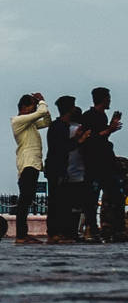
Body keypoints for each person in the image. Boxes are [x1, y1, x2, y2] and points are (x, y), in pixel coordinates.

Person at [77, 87, 123, 242]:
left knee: (114, 195)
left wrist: (110, 127)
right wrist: (110, 128)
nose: (109, 100)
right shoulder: (90, 116)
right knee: (93, 197)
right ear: (103, 99)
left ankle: (111, 228)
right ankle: (93, 228)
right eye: (108, 97)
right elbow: (93, 137)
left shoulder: (101, 116)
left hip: (104, 162)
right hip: (95, 163)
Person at [11, 93, 51, 241]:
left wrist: (42, 105)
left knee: (27, 199)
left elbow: (47, 121)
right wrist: (41, 101)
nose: (34, 110)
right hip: (27, 163)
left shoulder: (31, 124)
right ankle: (21, 235)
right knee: (24, 200)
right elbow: (41, 112)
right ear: (24, 107)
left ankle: (23, 234)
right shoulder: (18, 120)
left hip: (33, 163)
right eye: (31, 107)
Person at [44, 97, 83, 243]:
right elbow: (62, 148)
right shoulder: (59, 126)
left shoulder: (60, 126)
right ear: (70, 109)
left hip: (59, 167)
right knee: (56, 202)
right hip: (57, 168)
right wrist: (79, 140)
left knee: (62, 201)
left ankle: (58, 233)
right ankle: (54, 233)